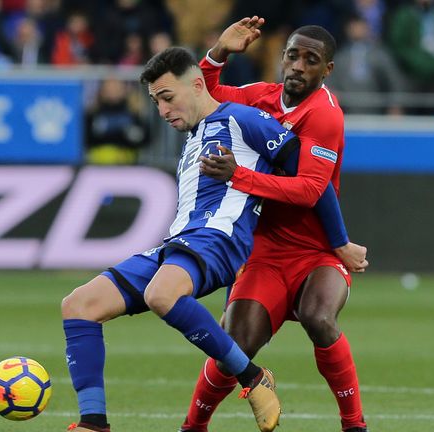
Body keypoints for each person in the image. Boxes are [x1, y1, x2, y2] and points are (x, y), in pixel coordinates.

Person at [61, 46, 294, 432]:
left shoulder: (241, 119)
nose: (163, 111)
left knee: (161, 295)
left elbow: (309, 175)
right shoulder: (192, 142)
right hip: (180, 241)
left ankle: (253, 377)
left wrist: (332, 241)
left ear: (198, 85)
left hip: (219, 238)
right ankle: (93, 423)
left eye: (167, 98)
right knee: (79, 304)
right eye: (155, 102)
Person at [178, 17, 369, 432]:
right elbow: (205, 96)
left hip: (316, 251)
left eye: (311, 60)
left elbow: (308, 190)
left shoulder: (325, 116)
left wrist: (237, 176)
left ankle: (354, 424)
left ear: (327, 70)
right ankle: (193, 426)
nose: (299, 66)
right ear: (282, 59)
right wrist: (218, 54)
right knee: (236, 345)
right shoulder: (260, 97)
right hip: (262, 251)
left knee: (319, 317)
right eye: (293, 56)